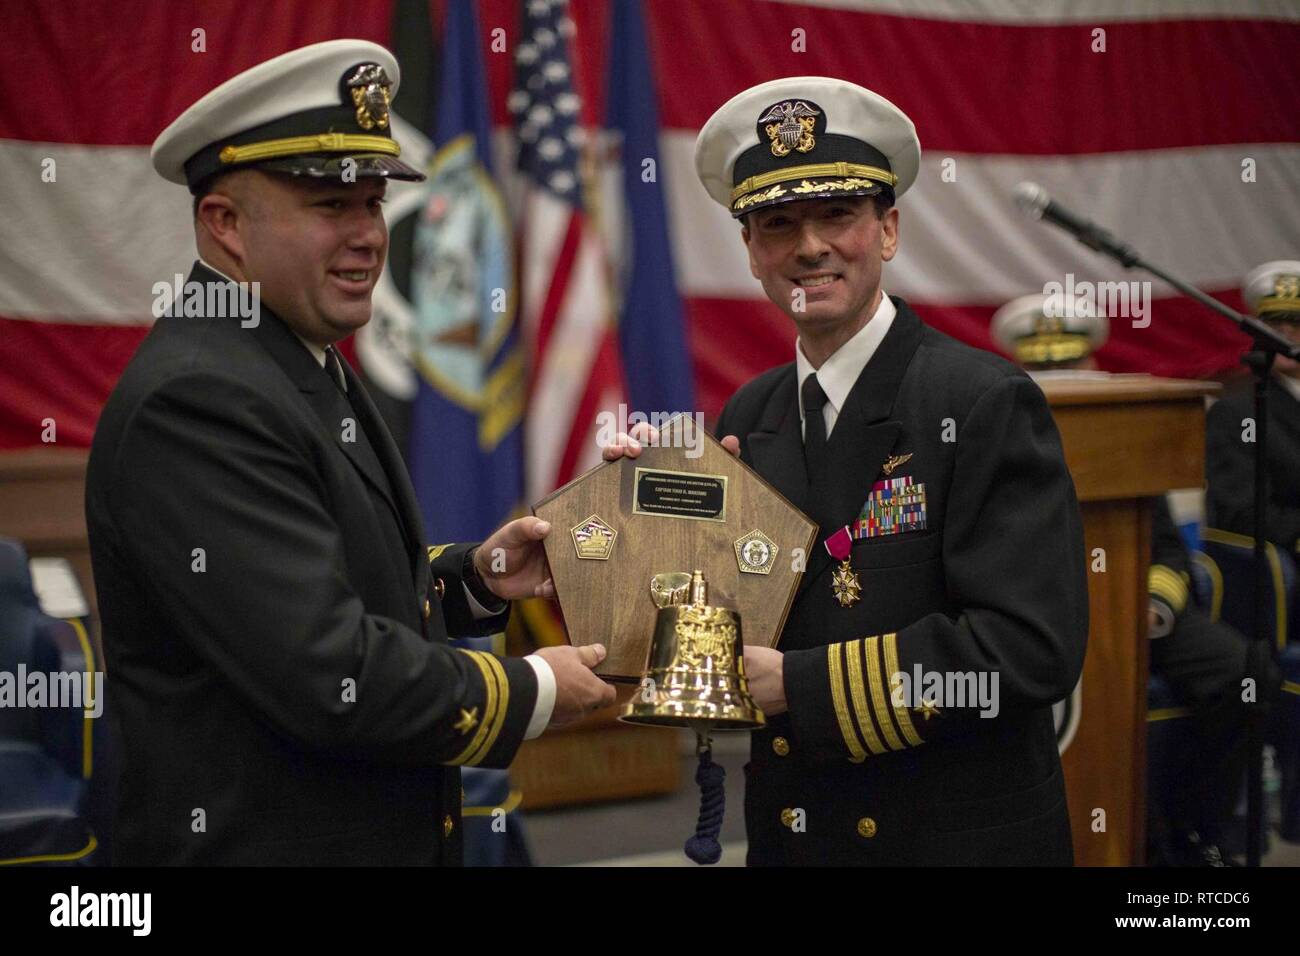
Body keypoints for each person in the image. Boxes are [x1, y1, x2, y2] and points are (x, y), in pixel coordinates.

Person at [86, 39, 613, 866]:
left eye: (373, 203)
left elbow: (320, 575)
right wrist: (534, 687)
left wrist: (471, 579)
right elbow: (326, 671)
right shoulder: (199, 399)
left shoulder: (283, 354)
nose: (370, 235)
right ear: (224, 225)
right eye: (331, 206)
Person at [628, 77, 1089, 865]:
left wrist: (801, 690)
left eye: (837, 215)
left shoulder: (981, 401)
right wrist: (648, 535)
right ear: (749, 251)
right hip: (797, 834)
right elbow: (744, 616)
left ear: (888, 231)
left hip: (948, 842)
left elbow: (1029, 649)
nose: (809, 247)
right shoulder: (749, 414)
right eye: (777, 224)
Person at [991, 292, 1266, 866]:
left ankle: (1193, 829)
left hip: (1135, 617)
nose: (1060, 383)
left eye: (1068, 369)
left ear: (1092, 368)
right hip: (1030, 629)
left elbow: (1167, 552)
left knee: (1244, 673)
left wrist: (1150, 612)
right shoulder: (992, 441)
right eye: (1045, 372)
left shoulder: (1124, 437)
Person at [1205, 260, 1300, 552]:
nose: (1284, 335)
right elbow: (1241, 515)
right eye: (1273, 324)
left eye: (1296, 323)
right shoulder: (1239, 413)